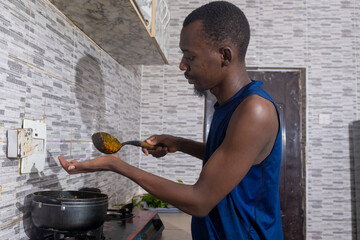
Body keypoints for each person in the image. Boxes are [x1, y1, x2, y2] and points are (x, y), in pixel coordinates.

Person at [58, 1, 283, 239]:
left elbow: (199, 201)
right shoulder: (229, 106)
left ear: (224, 55)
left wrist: (116, 165)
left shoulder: (255, 110)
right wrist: (179, 143)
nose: (182, 65)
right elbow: (229, 158)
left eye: (190, 56)